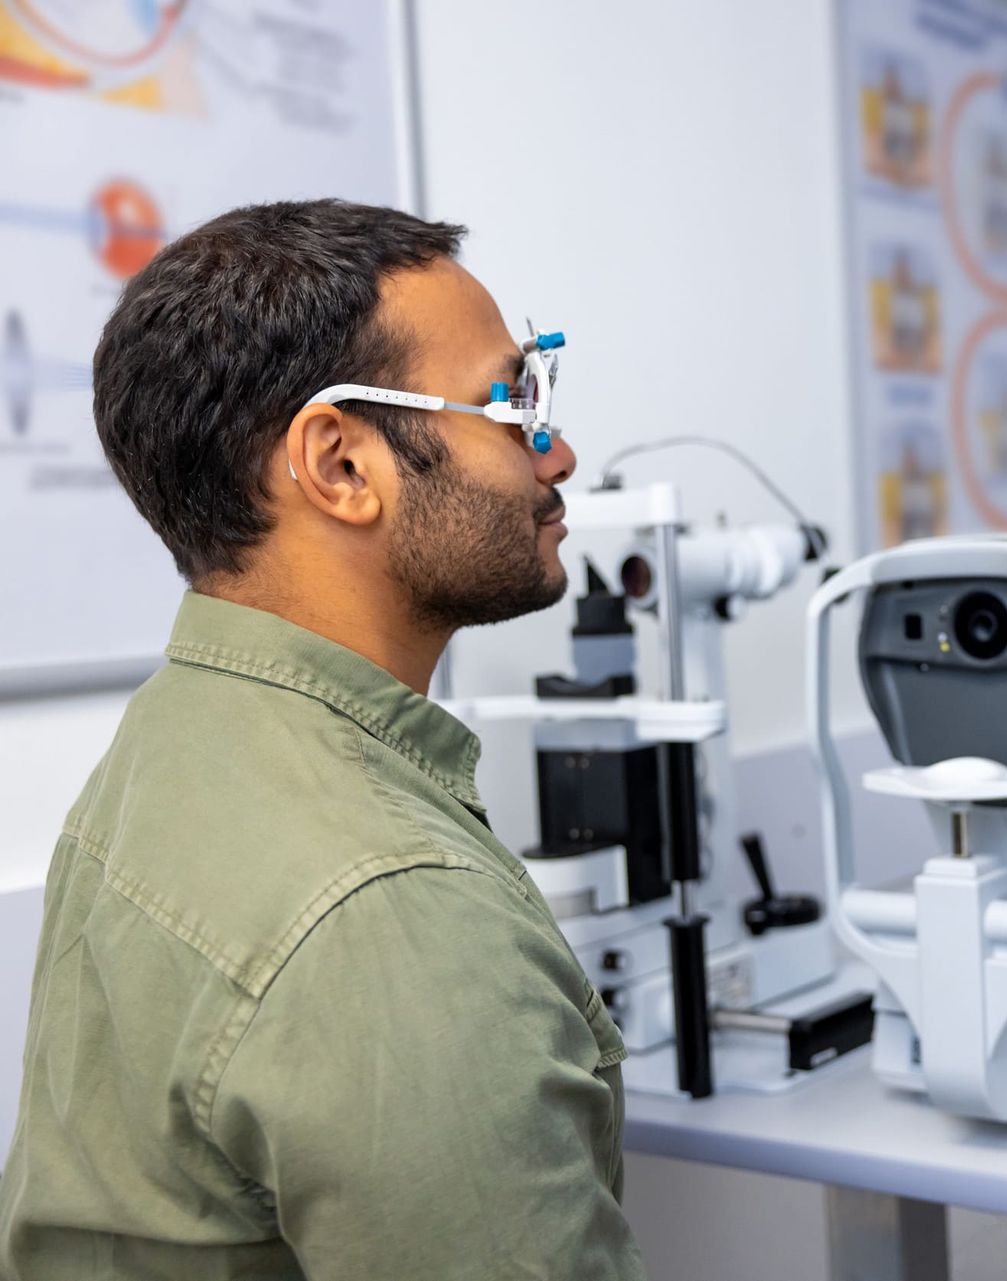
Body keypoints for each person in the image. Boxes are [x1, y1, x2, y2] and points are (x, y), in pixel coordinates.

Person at [0, 200, 648, 1280]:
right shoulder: (391, 908)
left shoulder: (180, 735)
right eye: (511, 404)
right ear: (342, 465)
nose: (561, 451)